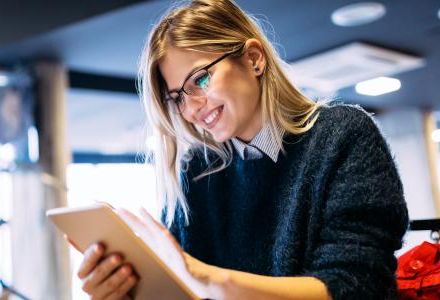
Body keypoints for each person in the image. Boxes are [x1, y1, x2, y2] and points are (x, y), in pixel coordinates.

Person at [72, 0, 409, 299]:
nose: (191, 110)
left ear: (253, 59)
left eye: (200, 80)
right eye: (177, 97)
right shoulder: (196, 170)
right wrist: (127, 291)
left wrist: (208, 279)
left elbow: (358, 286)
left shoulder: (342, 136)